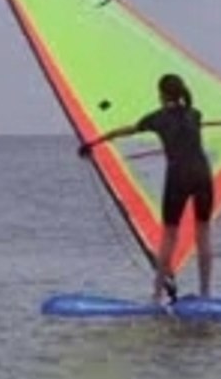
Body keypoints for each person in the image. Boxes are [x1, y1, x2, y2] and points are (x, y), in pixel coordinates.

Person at [78, 74, 213, 302]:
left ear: (162, 94)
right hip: (202, 175)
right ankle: (206, 293)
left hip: (178, 176)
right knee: (204, 235)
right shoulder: (195, 114)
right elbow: (188, 124)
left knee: (169, 236)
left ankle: (157, 294)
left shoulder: (157, 118)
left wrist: (95, 141)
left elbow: (125, 131)